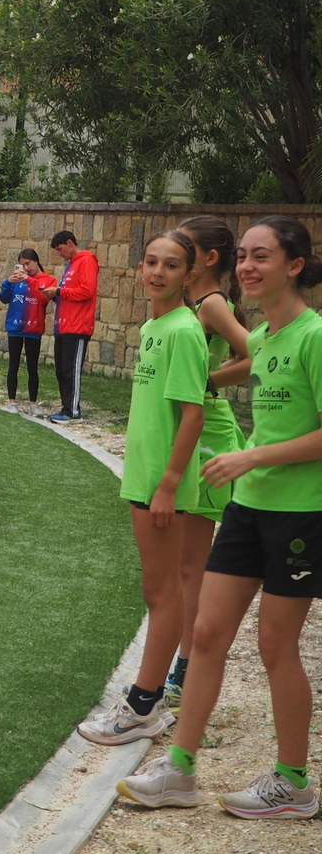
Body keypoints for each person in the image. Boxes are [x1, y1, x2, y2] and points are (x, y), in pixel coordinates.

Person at [118, 218, 322, 819]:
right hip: (248, 505)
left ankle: (293, 783)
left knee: (275, 646)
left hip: (299, 513)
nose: (247, 267)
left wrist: (251, 455)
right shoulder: (263, 336)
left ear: (295, 265)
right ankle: (178, 772)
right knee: (206, 634)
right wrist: (201, 385)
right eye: (244, 256)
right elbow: (241, 376)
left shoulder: (313, 336)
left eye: (263, 257)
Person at [78, 231, 206, 746]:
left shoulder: (184, 330)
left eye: (171, 265)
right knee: (159, 590)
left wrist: (169, 484)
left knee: (162, 592)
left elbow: (194, 415)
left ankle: (143, 707)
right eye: (151, 262)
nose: (157, 272)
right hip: (146, 475)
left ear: (188, 275)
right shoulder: (155, 325)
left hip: (160, 482)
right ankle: (146, 700)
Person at [167, 217, 248, 709]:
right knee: (182, 562)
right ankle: (183, 659)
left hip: (208, 436)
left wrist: (211, 382)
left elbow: (258, 355)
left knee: (190, 565)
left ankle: (187, 664)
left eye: (185, 246)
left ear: (209, 258)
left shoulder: (213, 303)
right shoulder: (193, 304)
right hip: (189, 430)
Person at [43, 230, 99, 423]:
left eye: (60, 249)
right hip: (63, 325)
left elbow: (87, 290)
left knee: (71, 370)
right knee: (61, 370)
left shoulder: (86, 260)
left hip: (77, 326)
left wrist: (59, 291)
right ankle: (66, 408)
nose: (59, 254)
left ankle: (73, 412)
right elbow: (69, 292)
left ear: (69, 243)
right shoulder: (71, 265)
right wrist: (54, 295)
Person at [0, 249, 57, 413]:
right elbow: (3, 298)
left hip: (33, 329)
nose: (25, 268)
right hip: (15, 328)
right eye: (22, 264)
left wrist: (29, 280)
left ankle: (33, 404)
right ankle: (12, 402)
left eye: (28, 263)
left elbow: (43, 298)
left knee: (32, 367)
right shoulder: (16, 280)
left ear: (36, 261)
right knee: (13, 365)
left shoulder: (48, 280)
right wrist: (8, 282)